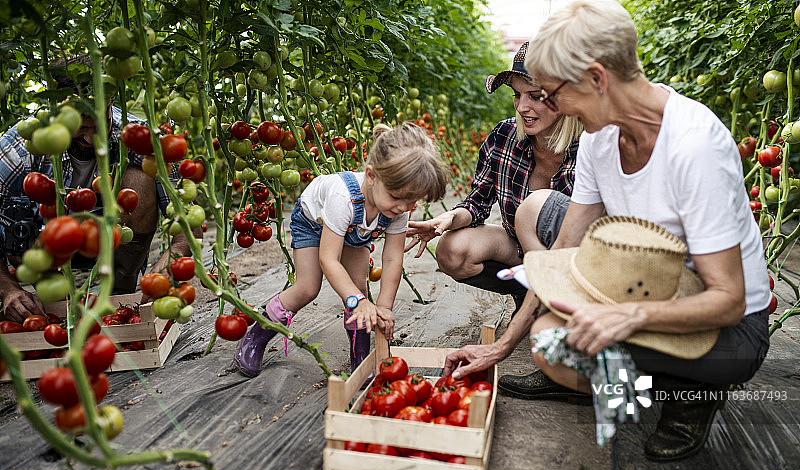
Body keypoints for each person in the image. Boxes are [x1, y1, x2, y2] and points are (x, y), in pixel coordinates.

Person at [444, 0, 771, 462]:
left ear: (597, 79)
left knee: (569, 344)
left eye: (555, 93)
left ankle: (693, 389)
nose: (549, 105)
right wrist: (500, 347)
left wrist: (629, 318)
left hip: (728, 327)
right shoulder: (600, 137)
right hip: (647, 274)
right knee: (548, 343)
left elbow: (729, 299)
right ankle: (628, 370)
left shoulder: (694, 147)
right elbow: (563, 248)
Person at [405, 41, 585, 401]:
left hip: (574, 262)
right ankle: (525, 293)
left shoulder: (589, 145)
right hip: (521, 250)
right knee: (453, 249)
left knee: (538, 207)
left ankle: (556, 317)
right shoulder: (505, 136)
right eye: (517, 96)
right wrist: (446, 220)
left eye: (535, 96)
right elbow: (479, 202)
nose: (522, 107)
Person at [234, 122, 449, 377]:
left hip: (355, 232)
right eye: (396, 197)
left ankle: (361, 358)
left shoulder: (398, 208)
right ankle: (255, 337)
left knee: (358, 288)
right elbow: (329, 259)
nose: (404, 207)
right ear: (371, 176)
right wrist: (357, 301)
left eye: (412, 201)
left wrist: (384, 307)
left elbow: (392, 259)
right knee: (308, 288)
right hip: (314, 224)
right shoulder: (342, 198)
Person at [0, 56, 194, 323]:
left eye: (98, 124)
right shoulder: (22, 149)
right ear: (56, 109)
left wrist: (174, 258)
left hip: (113, 242)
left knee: (140, 177)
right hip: (43, 252)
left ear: (111, 103)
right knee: (16, 210)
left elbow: (187, 218)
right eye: (80, 127)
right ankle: (53, 299)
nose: (90, 139)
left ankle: (119, 292)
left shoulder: (138, 137)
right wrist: (7, 288)